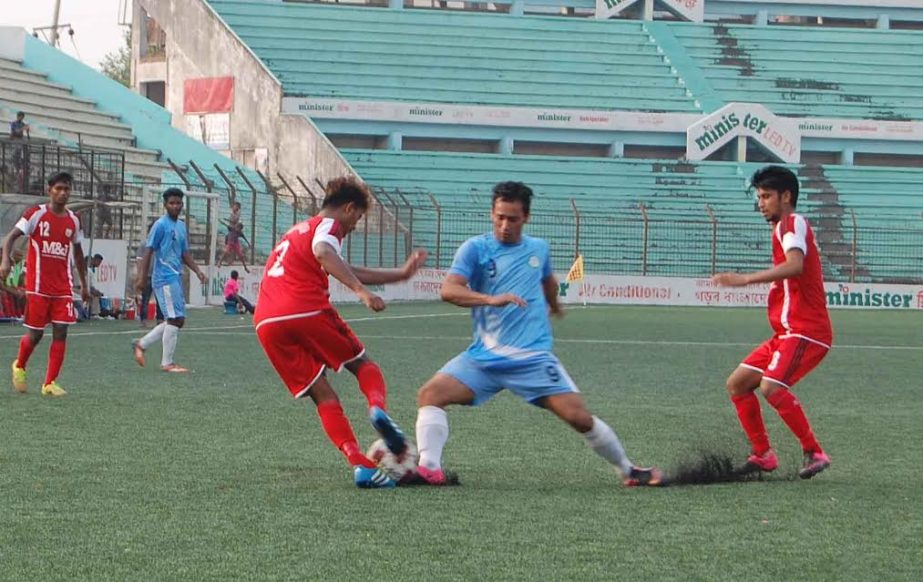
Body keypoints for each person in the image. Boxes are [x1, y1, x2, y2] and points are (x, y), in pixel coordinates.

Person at [411, 181, 661, 487]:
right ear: (492, 213)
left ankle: (628, 469)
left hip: (532, 360)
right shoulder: (475, 248)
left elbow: (548, 281)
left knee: (579, 418)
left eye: (512, 219)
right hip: (484, 359)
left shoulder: (538, 248)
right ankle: (430, 468)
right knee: (430, 395)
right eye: (499, 217)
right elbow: (449, 289)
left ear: (526, 217)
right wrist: (491, 298)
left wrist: (554, 305)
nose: (504, 225)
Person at [254, 177, 427, 489]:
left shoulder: (295, 232)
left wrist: (400, 274)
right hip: (304, 307)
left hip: (266, 320)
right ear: (348, 208)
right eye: (357, 218)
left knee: (323, 394)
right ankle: (378, 410)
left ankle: (360, 465)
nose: (354, 226)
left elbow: (338, 263)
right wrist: (361, 293)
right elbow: (324, 253)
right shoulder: (328, 227)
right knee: (364, 365)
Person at [713, 165, 832, 479]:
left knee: (772, 386)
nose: (761, 203)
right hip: (786, 333)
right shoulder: (782, 228)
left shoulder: (793, 223)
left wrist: (745, 279)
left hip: (808, 331)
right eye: (759, 196)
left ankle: (814, 451)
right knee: (737, 384)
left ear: (786, 196)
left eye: (766, 196)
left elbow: (795, 266)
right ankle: (763, 455)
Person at [0, 172, 90, 396]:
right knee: (36, 334)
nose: (63, 193)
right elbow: (10, 237)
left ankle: (49, 382)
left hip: (63, 287)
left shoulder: (74, 220)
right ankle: (19, 365)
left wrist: (85, 285)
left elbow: (78, 255)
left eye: (67, 189)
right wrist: (5, 260)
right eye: (58, 188)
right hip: (38, 285)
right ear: (49, 189)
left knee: (61, 331)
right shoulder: (35, 214)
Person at [132, 188, 207, 373]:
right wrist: (142, 278)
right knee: (174, 319)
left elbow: (184, 253)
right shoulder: (160, 225)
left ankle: (141, 344)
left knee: (178, 320)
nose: (175, 206)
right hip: (163, 277)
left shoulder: (181, 226)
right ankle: (167, 363)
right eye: (172, 203)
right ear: (165, 205)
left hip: (175, 276)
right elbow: (148, 251)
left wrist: (197, 270)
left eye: (178, 203)